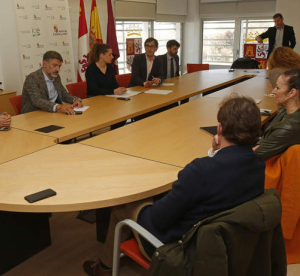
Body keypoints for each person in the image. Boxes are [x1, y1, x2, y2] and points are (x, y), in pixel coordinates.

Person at [83, 95, 265, 276]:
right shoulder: (258, 165)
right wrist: (215, 154)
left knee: (123, 206)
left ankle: (104, 268)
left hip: (179, 246)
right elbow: (220, 179)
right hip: (222, 242)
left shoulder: (200, 171)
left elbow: (159, 219)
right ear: (257, 131)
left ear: (219, 128)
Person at [254, 68, 300, 160]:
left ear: (292, 93)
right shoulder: (287, 111)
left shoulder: (289, 127)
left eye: (278, 88)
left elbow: (254, 157)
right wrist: (260, 144)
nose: (273, 91)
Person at [21, 51, 83, 115]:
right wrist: (59, 107)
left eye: (59, 66)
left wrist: (75, 100)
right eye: (54, 65)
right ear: (45, 64)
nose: (58, 69)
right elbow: (37, 100)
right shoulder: (32, 78)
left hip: (51, 114)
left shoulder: (56, 77)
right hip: (33, 115)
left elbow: (64, 94)